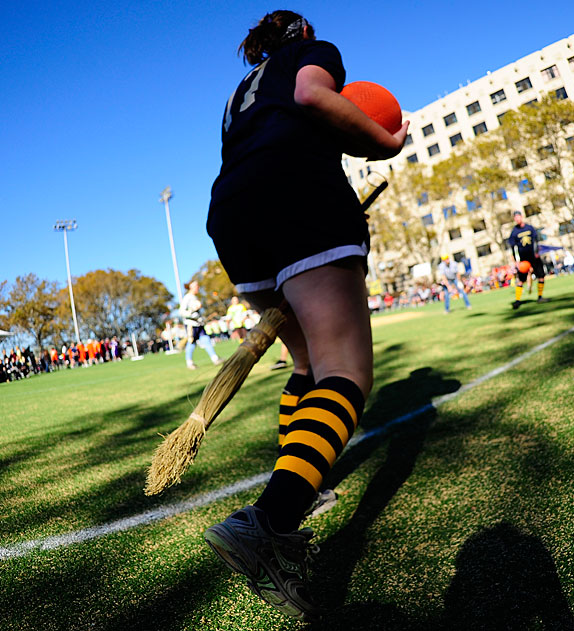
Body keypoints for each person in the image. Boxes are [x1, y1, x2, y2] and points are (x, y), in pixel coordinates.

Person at [201, 10, 408, 621]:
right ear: (305, 34)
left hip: (232, 213)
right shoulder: (312, 53)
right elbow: (313, 96)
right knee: (346, 369)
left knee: (308, 363)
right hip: (295, 194)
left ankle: (304, 486)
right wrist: (383, 143)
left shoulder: (239, 91)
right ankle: (270, 520)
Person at [179, 280, 222, 369]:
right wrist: (192, 311)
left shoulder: (195, 297)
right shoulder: (187, 297)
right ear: (191, 287)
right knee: (191, 342)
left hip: (199, 324)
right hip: (191, 325)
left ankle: (215, 358)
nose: (198, 288)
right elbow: (182, 312)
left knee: (206, 340)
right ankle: (189, 362)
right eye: (196, 286)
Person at [508, 210, 547, 309]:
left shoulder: (529, 228)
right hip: (523, 259)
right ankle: (517, 301)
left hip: (534, 256)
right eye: (515, 217)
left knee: (541, 275)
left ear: (521, 217)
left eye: (518, 217)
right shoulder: (514, 232)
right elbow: (513, 248)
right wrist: (516, 261)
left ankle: (540, 297)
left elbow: (536, 240)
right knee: (521, 280)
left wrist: (537, 252)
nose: (517, 219)